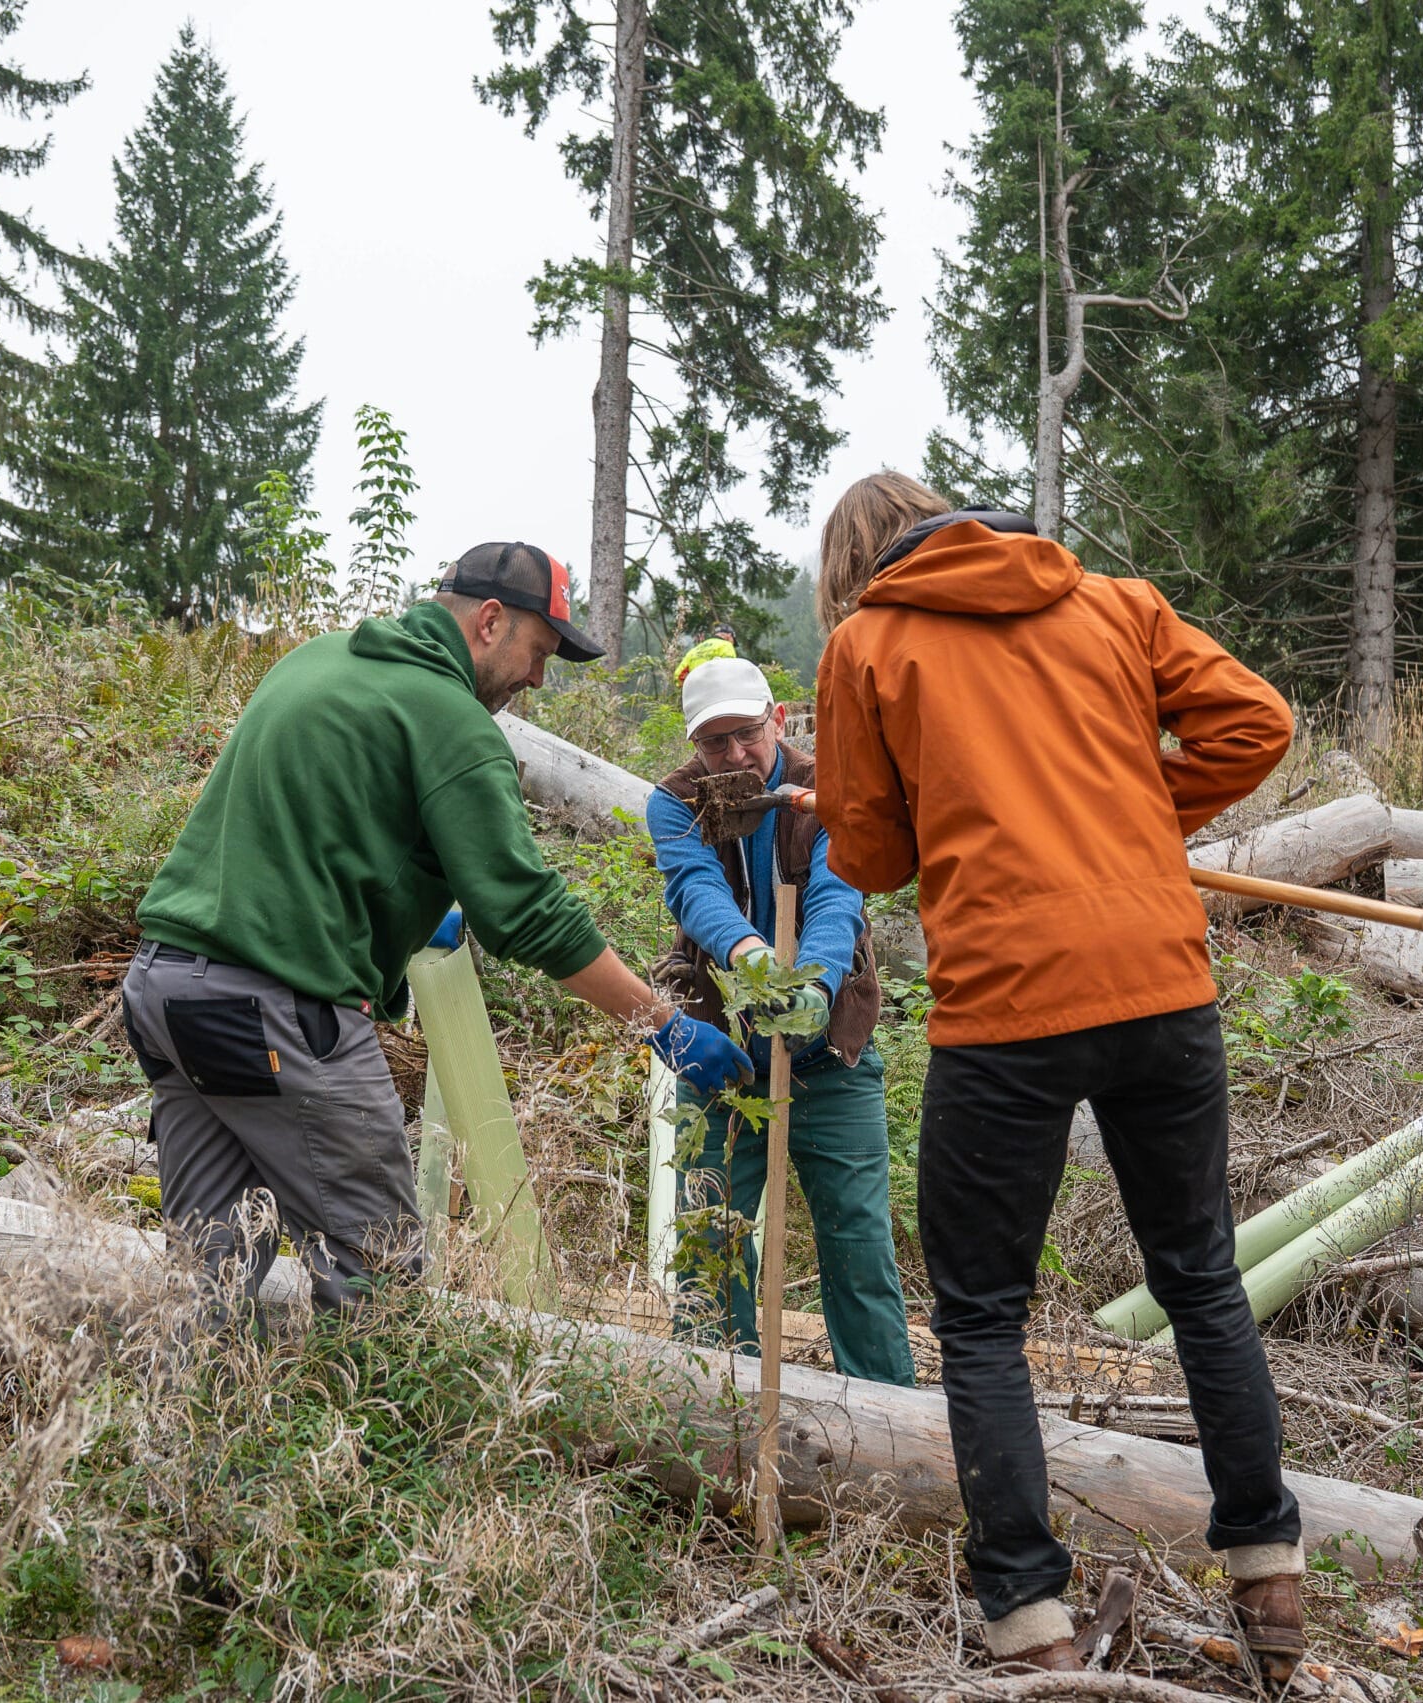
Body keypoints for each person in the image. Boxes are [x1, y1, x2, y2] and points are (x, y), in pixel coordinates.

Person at [811, 473, 1306, 1676]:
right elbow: (1257, 724)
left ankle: (1030, 1621)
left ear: (854, 567)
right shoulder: (1112, 601)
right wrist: (1124, 818)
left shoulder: (868, 644)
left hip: (1007, 1005)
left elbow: (867, 853)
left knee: (983, 1317)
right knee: (1200, 1275)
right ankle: (1270, 1571)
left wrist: (991, 820)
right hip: (1159, 982)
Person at [123, 542, 752, 1311]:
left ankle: (180, 1392)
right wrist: (663, 1024)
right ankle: (373, 1395)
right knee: (382, 1280)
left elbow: (316, 831)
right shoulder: (453, 721)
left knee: (204, 1284)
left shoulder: (316, 661)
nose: (537, 678)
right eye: (539, 651)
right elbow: (528, 912)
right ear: (489, 621)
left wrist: (414, 904)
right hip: (278, 1013)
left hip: (165, 994)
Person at [645, 649, 917, 1386]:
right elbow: (695, 889)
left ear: (778, 719)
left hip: (830, 1058)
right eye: (714, 741)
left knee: (859, 1249)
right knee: (710, 1245)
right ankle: (716, 1409)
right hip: (721, 1059)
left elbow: (837, 894)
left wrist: (815, 984)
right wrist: (753, 956)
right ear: (693, 744)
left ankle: (888, 1420)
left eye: (746, 733)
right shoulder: (675, 802)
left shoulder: (824, 791)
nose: (734, 753)